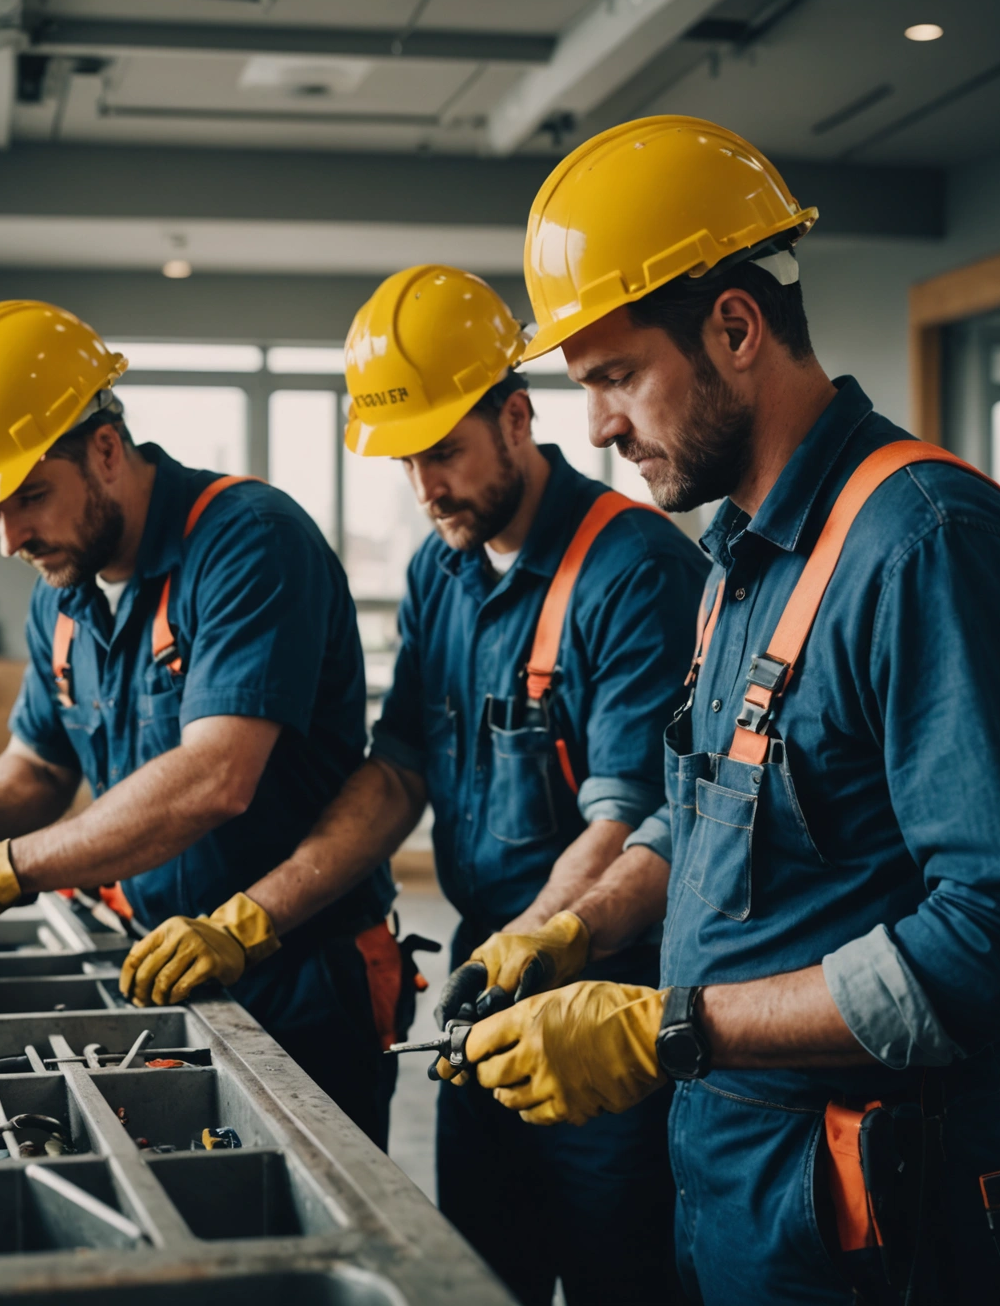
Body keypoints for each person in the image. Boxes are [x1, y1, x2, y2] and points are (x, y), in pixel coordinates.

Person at [458, 116, 1000, 1305]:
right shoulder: (741, 561)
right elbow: (704, 818)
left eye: (612, 377)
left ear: (735, 326)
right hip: (742, 1190)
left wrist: (673, 1029)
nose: (595, 426)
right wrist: (579, 928)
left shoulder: (929, 551)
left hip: (880, 1221)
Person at [133, 264, 706, 1303]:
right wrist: (250, 920)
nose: (425, 488)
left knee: (625, 1276)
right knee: (483, 1272)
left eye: (443, 451)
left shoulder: (634, 572)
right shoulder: (444, 570)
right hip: (491, 998)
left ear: (520, 418)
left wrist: (528, 950)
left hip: (606, 1011)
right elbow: (395, 775)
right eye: (405, 463)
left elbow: (631, 821)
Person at [0, 299, 399, 1145]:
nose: (9, 540)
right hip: (157, 959)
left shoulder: (248, 541)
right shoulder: (63, 593)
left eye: (29, 496)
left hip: (299, 969)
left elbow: (217, 777)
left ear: (105, 450)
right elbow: (38, 766)